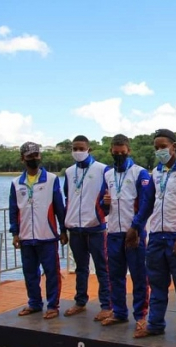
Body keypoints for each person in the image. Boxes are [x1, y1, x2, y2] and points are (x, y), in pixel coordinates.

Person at [126, 129, 176, 346]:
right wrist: (135, 226)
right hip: (156, 237)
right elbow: (148, 203)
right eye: (156, 147)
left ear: (174, 146)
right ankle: (155, 324)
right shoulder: (155, 173)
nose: (160, 151)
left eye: (163, 146)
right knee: (157, 284)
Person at [9, 142, 68, 319]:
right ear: (22, 159)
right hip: (26, 236)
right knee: (29, 272)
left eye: (36, 155)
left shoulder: (51, 179)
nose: (33, 159)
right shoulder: (16, 183)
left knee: (51, 272)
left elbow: (59, 206)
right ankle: (34, 303)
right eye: (29, 156)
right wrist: (15, 233)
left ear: (40, 156)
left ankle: (53, 305)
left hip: (47, 235)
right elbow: (14, 209)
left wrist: (63, 229)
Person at [99, 134, 151, 333]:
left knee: (139, 276)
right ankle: (119, 312)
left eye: (123, 152)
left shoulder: (140, 173)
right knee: (115, 276)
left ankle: (141, 316)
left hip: (134, 234)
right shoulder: (108, 175)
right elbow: (103, 206)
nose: (119, 154)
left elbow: (146, 205)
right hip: (113, 232)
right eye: (116, 151)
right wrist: (104, 206)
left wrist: (136, 228)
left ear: (128, 150)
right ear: (111, 150)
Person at [63, 135, 113, 321]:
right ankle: (80, 301)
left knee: (102, 268)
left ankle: (107, 305)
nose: (78, 152)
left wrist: (103, 210)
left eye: (81, 148)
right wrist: (64, 226)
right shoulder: (68, 172)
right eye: (74, 148)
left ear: (89, 149)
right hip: (75, 229)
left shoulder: (102, 170)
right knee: (80, 268)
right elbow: (68, 198)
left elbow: (109, 197)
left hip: (96, 228)